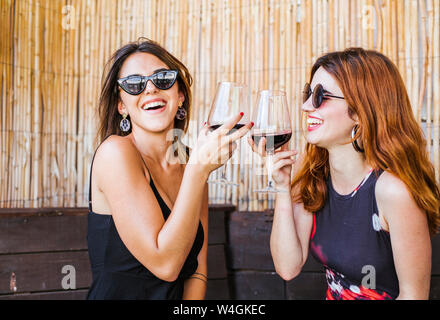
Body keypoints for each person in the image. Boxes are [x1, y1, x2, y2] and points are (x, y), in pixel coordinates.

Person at [248, 47, 440, 300]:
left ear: (361, 112)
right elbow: (287, 267)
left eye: (320, 96)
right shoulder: (313, 183)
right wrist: (282, 187)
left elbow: (414, 296)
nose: (306, 106)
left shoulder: (393, 192)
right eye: (308, 93)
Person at [87, 38, 252, 300]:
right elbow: (166, 265)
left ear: (180, 95)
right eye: (134, 84)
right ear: (121, 106)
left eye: (162, 78)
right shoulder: (115, 153)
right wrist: (199, 169)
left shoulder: (190, 160)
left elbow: (197, 269)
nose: (150, 89)